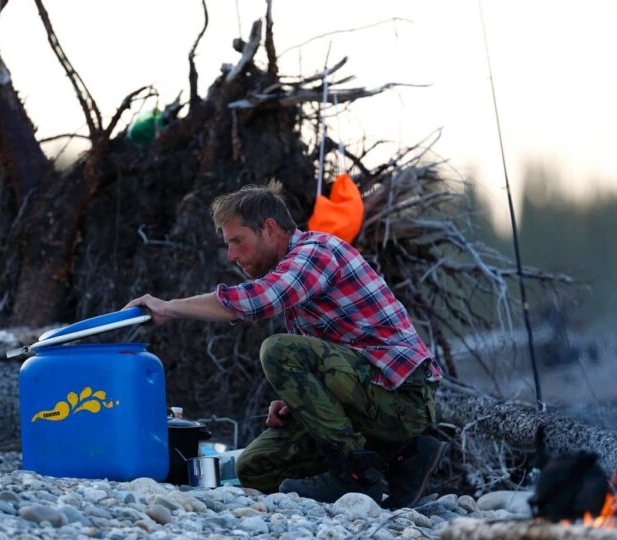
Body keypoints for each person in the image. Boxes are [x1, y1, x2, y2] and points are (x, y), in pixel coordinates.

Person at [124, 180, 446, 506]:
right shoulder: (293, 273)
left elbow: (259, 300)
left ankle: (354, 475)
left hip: (403, 398)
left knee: (278, 350)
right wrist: (300, 399)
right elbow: (338, 353)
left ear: (270, 228)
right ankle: (401, 460)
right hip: (370, 395)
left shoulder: (316, 251)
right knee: (254, 468)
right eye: (228, 244)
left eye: (238, 241)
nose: (232, 255)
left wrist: (167, 307)